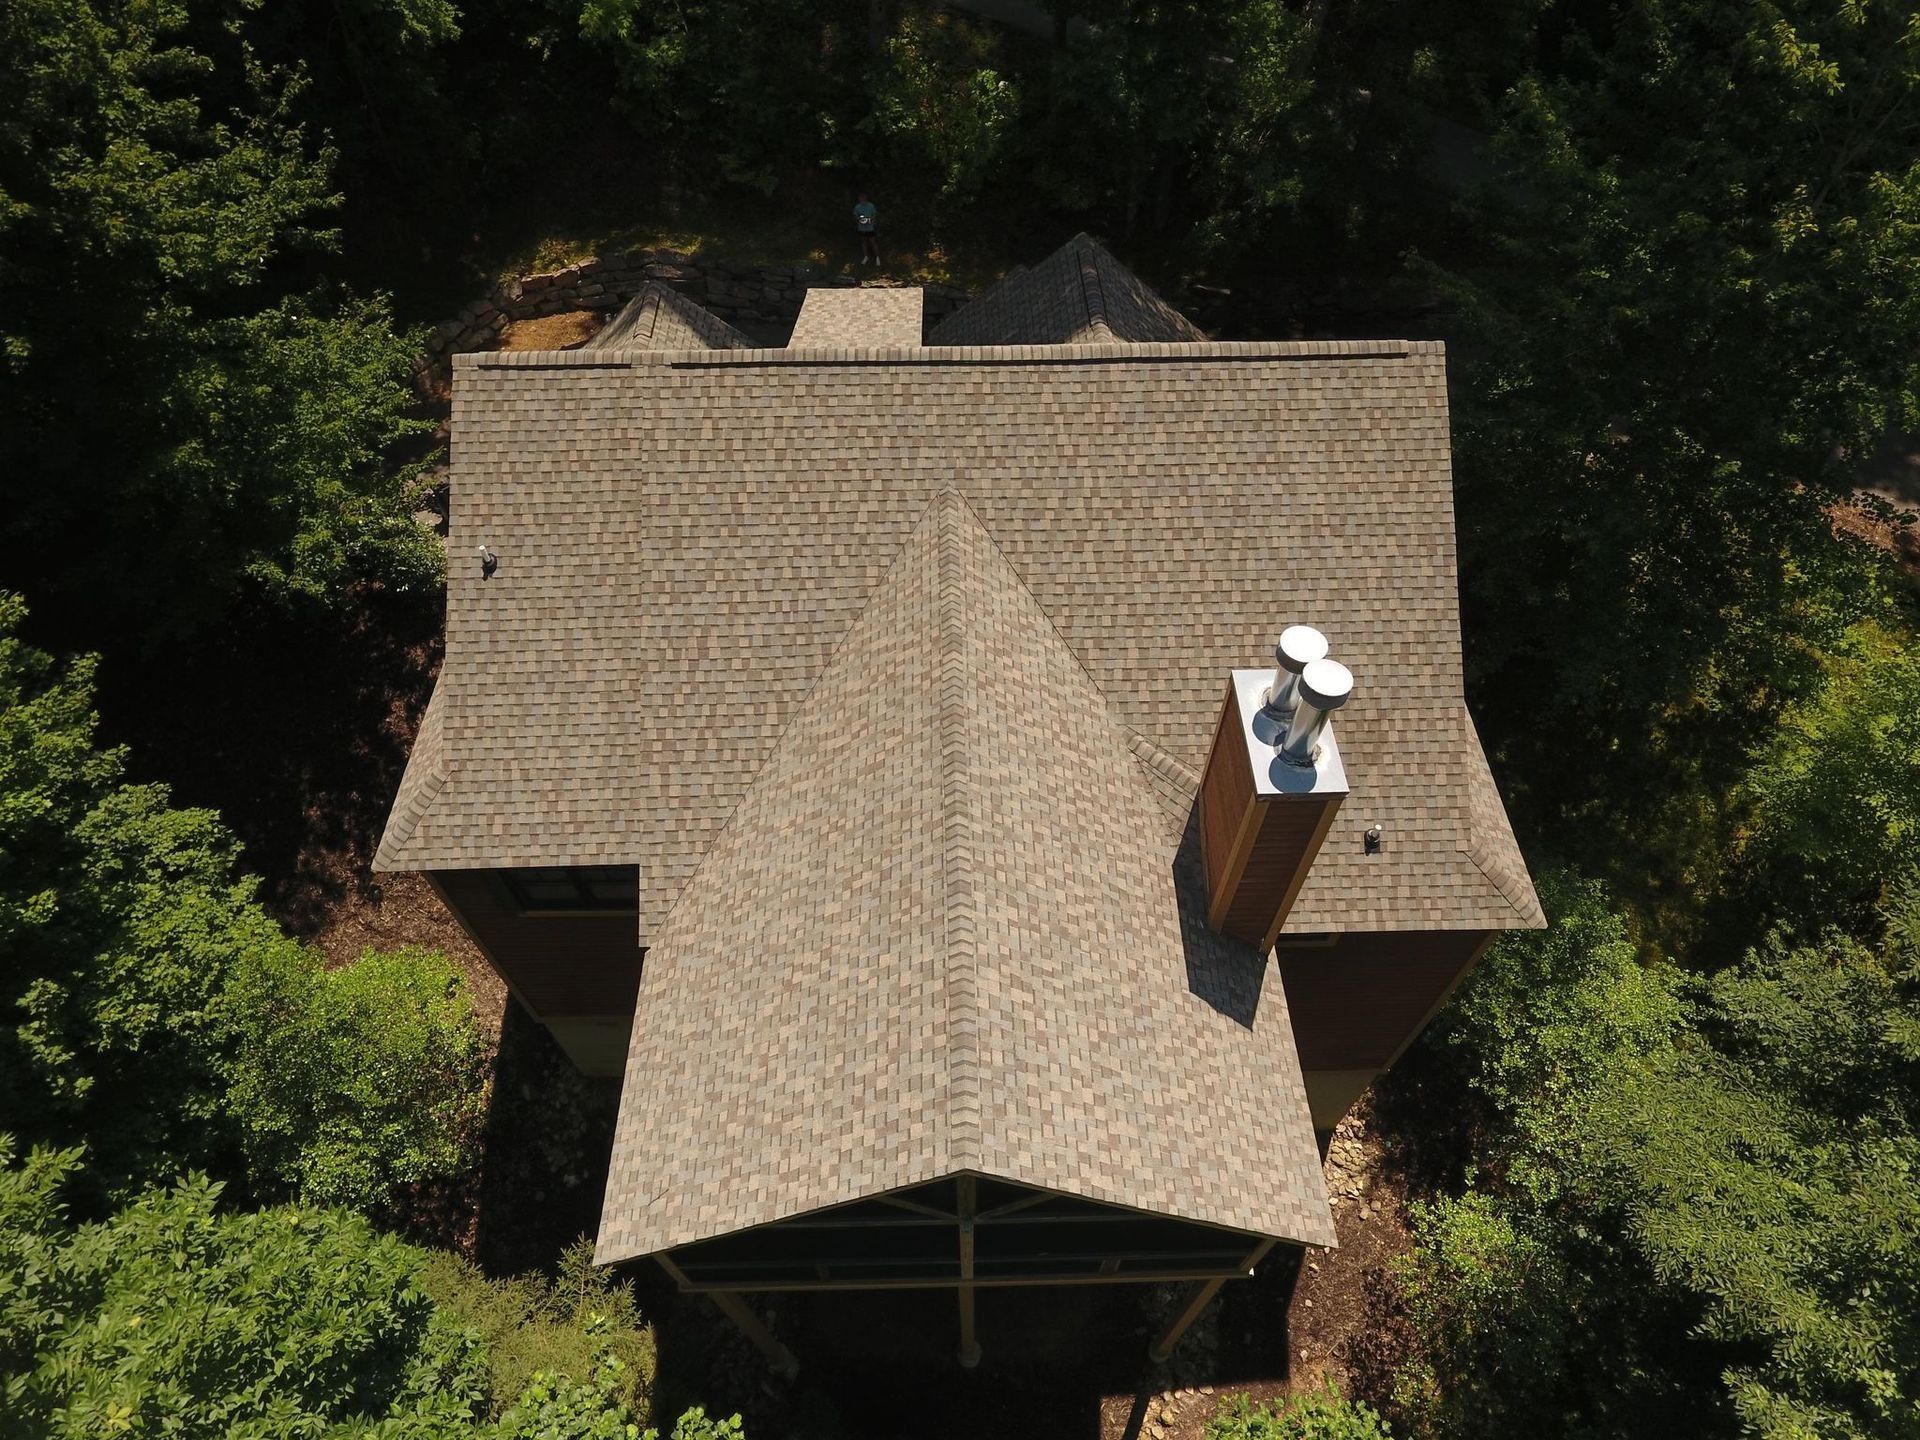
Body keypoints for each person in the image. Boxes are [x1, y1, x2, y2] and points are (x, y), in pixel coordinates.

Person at [854, 193, 880, 266]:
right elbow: (856, 216)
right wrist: (859, 219)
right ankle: (866, 257)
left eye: (862, 198)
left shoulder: (871, 206)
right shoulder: (857, 207)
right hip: (861, 227)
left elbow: (874, 215)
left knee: (873, 242)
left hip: (870, 227)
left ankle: (877, 257)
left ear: (865, 198)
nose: (861, 200)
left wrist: (871, 220)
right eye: (860, 199)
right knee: (864, 242)